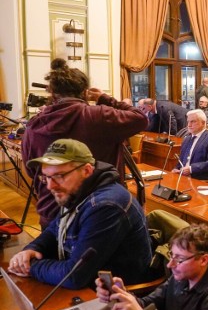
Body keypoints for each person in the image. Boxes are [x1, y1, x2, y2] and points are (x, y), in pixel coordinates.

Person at [21, 58, 148, 228]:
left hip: (53, 212)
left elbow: (31, 170)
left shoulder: (34, 124)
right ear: (84, 92)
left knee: (55, 254)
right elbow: (140, 118)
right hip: (99, 212)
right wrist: (104, 97)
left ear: (52, 93)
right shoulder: (99, 116)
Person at [9, 139, 151, 288]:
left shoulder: (107, 205)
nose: (50, 186)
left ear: (87, 170)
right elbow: (54, 229)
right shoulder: (77, 190)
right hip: (88, 284)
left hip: (115, 296)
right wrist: (33, 249)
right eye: (46, 177)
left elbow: (74, 276)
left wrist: (31, 266)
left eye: (59, 176)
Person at [96, 224, 208, 310]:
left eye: (180, 259)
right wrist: (122, 294)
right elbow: (147, 304)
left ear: (203, 260)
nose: (170, 265)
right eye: (172, 255)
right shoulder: (181, 275)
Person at [173, 109, 208, 180]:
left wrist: (191, 169)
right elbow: (181, 161)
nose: (189, 125)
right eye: (188, 122)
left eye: (193, 121)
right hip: (182, 177)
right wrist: (176, 169)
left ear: (203, 123)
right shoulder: (187, 139)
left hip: (200, 178)